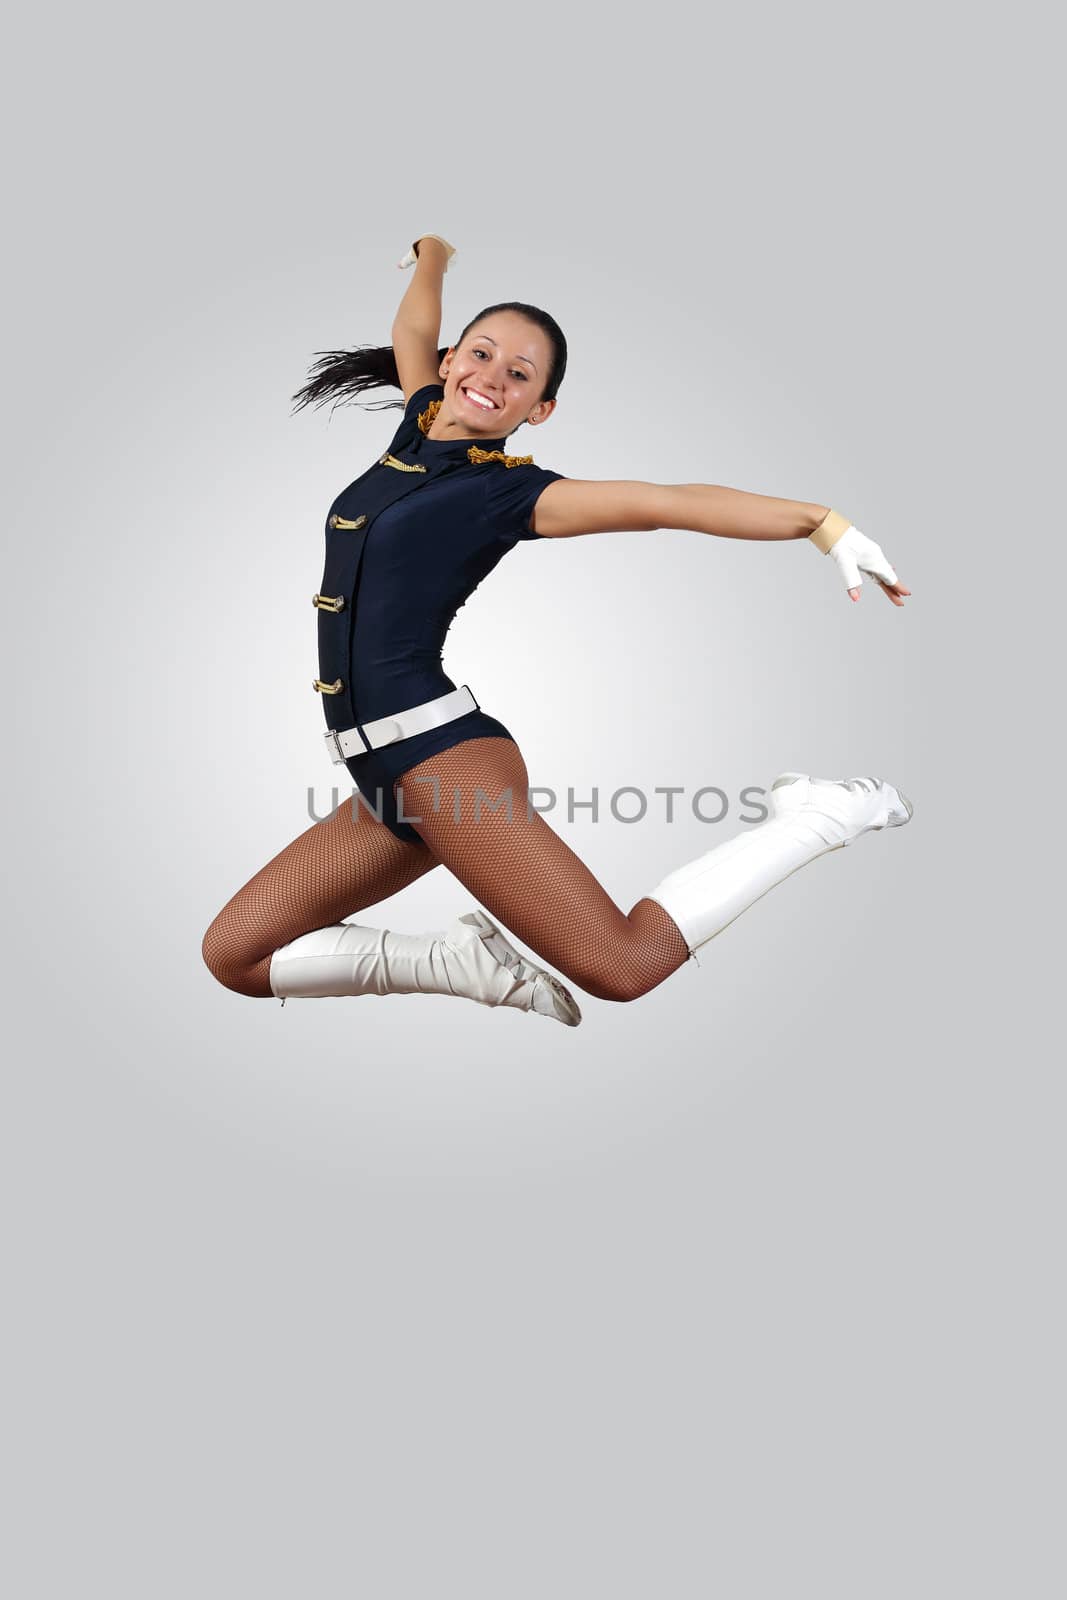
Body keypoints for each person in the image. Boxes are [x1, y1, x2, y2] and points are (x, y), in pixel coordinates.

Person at [201, 233, 913, 1026]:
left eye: (519, 374)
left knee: (623, 965)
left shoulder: (507, 493)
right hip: (382, 778)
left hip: (442, 761)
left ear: (537, 408)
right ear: (448, 365)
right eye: (479, 352)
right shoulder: (417, 428)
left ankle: (820, 814)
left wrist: (820, 523)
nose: (490, 377)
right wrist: (433, 256)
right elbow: (410, 332)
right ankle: (457, 962)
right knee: (235, 957)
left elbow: (664, 502)